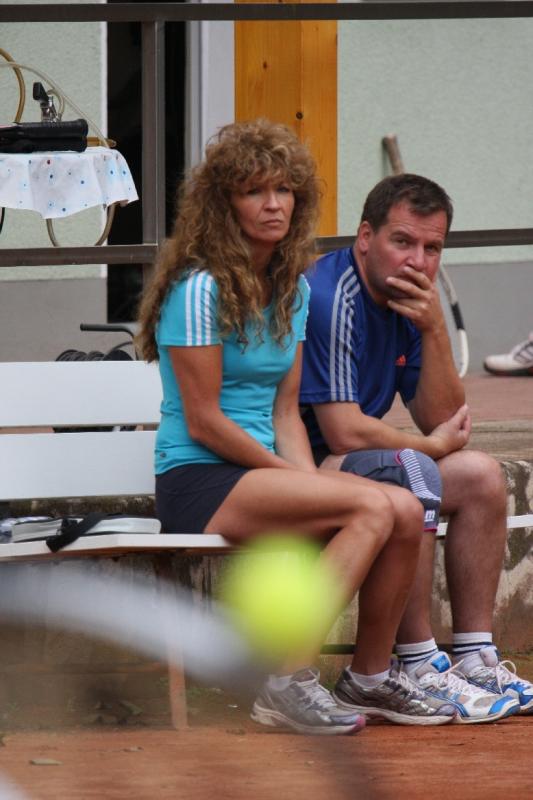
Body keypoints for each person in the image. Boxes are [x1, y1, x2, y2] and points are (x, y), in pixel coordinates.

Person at [136, 122, 457, 735]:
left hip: (261, 474)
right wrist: (297, 479)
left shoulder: (290, 291)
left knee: (402, 505)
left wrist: (308, 482)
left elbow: (286, 413)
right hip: (199, 477)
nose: (273, 204)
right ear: (224, 204)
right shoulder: (198, 290)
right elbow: (204, 420)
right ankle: (286, 683)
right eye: (254, 191)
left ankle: (369, 678)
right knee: (372, 506)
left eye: (284, 190)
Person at [300, 173, 533, 723]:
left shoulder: (408, 301)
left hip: (354, 465)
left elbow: (447, 421)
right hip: (294, 466)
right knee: (411, 469)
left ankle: (473, 656)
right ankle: (417, 663)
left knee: (480, 476)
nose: (418, 261)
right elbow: (343, 431)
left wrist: (433, 329)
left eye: (432, 248)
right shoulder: (334, 296)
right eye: (402, 241)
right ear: (365, 237)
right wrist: (424, 445)